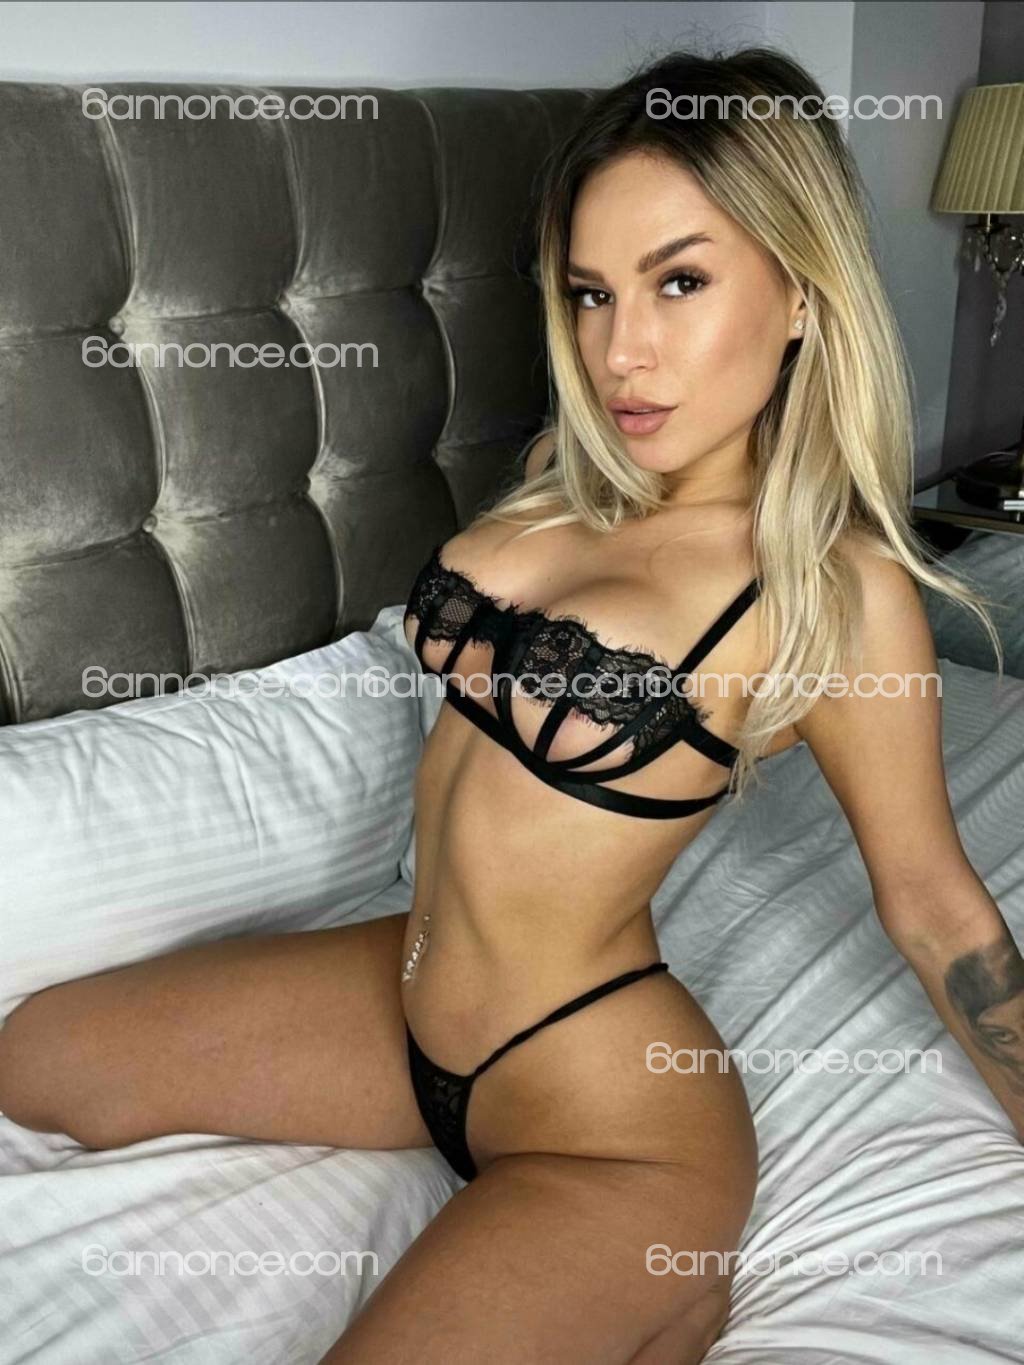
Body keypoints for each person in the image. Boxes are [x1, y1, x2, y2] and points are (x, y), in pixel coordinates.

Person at [1, 44, 1021, 1365]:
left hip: (605, 1116)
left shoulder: (832, 588)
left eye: (680, 282)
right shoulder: (563, 472)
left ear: (802, 295)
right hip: (407, 998)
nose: (621, 351)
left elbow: (936, 906)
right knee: (38, 1055)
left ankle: (650, 1279)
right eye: (591, 292)